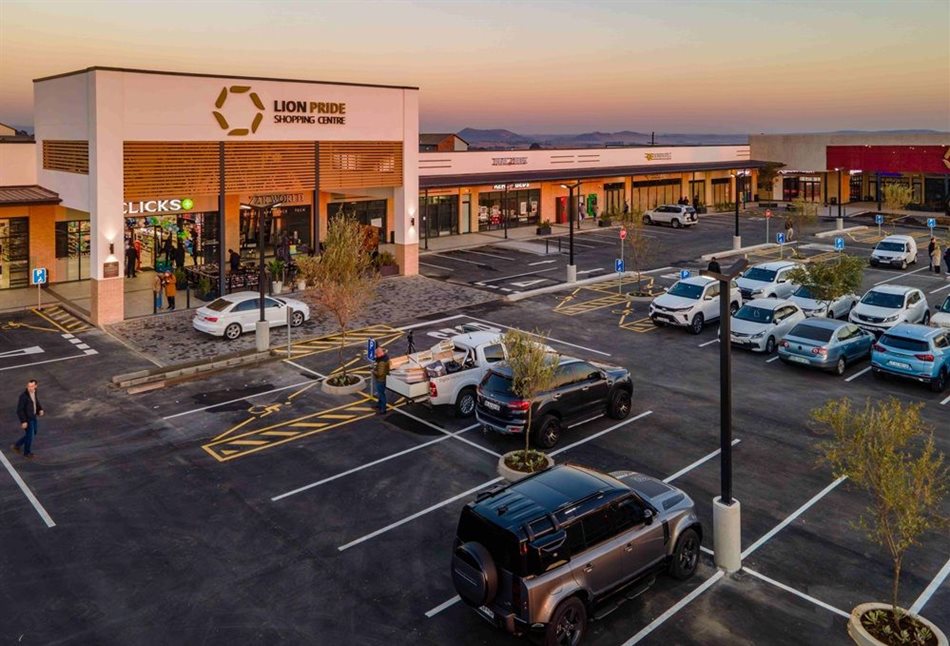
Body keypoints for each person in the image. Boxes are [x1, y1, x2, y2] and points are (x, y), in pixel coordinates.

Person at [12, 379, 44, 459]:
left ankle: (17, 445)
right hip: (27, 419)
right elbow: (19, 410)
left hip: (33, 416)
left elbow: (35, 401)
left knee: (34, 432)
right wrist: (23, 421)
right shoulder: (23, 396)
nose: (30, 388)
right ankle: (27, 453)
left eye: (32, 386)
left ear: (36, 386)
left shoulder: (34, 392)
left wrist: (40, 409)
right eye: (29, 386)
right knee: (30, 435)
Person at [372, 346, 390, 415]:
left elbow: (380, 373)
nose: (376, 356)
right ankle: (379, 405)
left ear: (379, 353)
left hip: (381, 380)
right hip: (383, 378)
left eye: (376, 354)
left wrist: (373, 371)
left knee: (381, 394)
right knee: (380, 393)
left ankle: (383, 409)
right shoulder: (385, 357)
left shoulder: (381, 362)